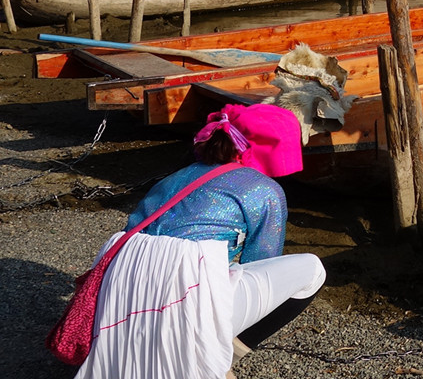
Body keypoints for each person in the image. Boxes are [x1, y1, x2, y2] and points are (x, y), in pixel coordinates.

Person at [75, 103, 326, 379]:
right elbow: (262, 260)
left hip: (120, 302)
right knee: (313, 270)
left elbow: (135, 227)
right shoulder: (263, 189)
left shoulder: (174, 177)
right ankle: (224, 356)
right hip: (184, 303)